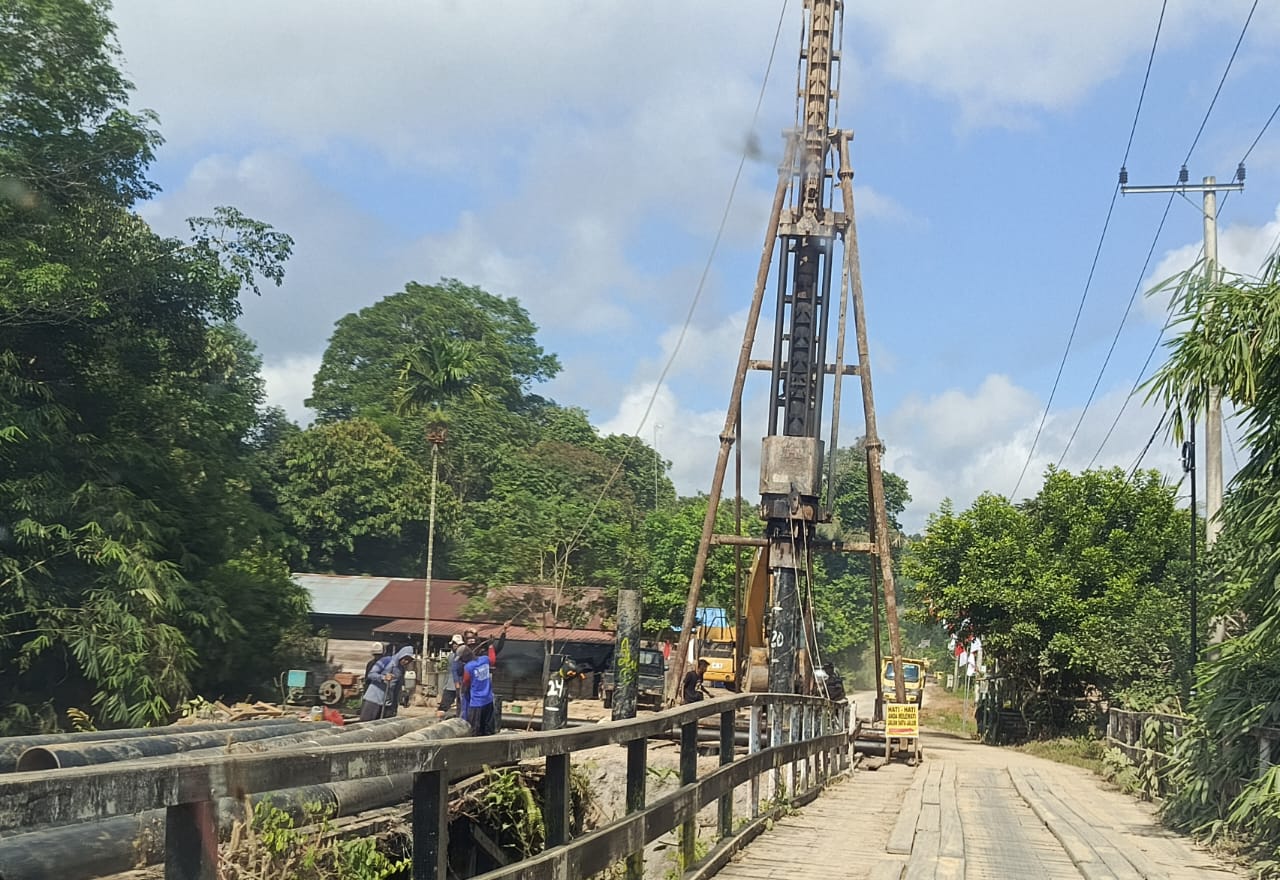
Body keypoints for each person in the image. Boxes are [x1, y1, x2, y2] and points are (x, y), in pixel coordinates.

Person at [359, 645, 415, 722]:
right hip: (373, 700)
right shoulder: (386, 661)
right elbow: (371, 674)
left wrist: (395, 704)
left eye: (409, 660)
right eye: (405, 659)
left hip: (387, 703)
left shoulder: (401, 670)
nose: (406, 662)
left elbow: (397, 688)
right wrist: (383, 677)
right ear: (400, 655)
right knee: (366, 724)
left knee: (382, 726)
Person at [461, 642, 499, 736]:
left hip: (476, 702)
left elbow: (466, 681)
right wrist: (491, 647)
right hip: (488, 700)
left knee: (475, 730)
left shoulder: (468, 667)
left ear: (465, 658)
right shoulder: (484, 659)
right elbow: (493, 660)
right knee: (488, 729)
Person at [438, 633, 465, 718]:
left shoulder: (463, 655)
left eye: (457, 644)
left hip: (461, 684)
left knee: (461, 705)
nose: (455, 646)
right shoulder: (451, 655)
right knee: (444, 706)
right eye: (454, 644)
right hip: (450, 684)